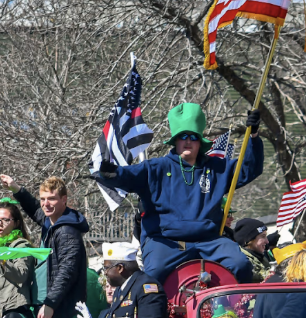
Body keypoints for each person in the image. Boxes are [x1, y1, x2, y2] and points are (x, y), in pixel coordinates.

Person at [95, 104, 263, 283]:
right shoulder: (155, 168)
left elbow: (249, 169)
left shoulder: (217, 168)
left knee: (240, 265)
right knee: (153, 276)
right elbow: (127, 176)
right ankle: (156, 311)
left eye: (193, 137)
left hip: (209, 240)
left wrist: (253, 136)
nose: (188, 141)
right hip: (165, 241)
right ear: (175, 141)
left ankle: (235, 308)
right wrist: (110, 173)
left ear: (200, 141)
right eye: (183, 137)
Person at [0, 174, 89, 318]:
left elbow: (67, 271)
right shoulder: (51, 221)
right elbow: (34, 208)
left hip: (57, 309)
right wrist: (16, 189)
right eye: (43, 199)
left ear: (64, 199)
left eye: (52, 199)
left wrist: (50, 304)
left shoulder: (66, 231)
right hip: (42, 302)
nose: (46, 204)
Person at [72, 241, 171, 318]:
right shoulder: (120, 290)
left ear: (120, 268)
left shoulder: (147, 287)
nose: (105, 273)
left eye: (107, 268)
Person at [0, 199, 35, 318]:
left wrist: (1, 258)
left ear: (16, 223)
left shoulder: (22, 246)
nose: (0, 224)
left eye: (5, 220)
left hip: (14, 307)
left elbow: (21, 275)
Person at [233, 218, 273, 283]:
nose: (267, 241)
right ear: (249, 240)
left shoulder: (259, 256)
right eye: (263, 236)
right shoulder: (243, 261)